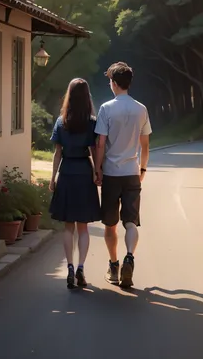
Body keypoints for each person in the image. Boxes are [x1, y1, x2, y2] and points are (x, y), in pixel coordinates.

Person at [94, 61, 152, 290]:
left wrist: (97, 169)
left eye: (110, 80)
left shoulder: (106, 108)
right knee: (131, 222)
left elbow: (100, 143)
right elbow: (145, 144)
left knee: (110, 224)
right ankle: (130, 257)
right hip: (131, 172)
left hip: (111, 173)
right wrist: (143, 169)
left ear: (115, 83)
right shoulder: (141, 109)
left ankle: (114, 266)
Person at [49, 78, 101, 289]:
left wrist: (53, 177)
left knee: (68, 226)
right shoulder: (91, 123)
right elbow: (94, 150)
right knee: (83, 227)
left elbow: (57, 152)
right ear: (87, 96)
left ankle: (69, 268)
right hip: (84, 173)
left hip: (67, 172)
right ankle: (81, 268)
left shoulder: (61, 122)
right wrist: (98, 172)